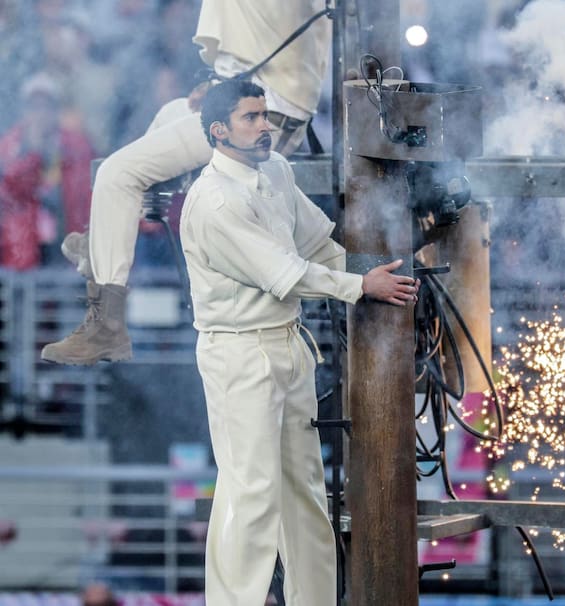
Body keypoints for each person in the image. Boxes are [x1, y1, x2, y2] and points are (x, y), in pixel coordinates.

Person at [181, 79, 418, 605]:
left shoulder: (277, 171)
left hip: (288, 344)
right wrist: (361, 286)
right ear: (219, 131)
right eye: (250, 118)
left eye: (265, 115)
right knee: (252, 492)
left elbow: (317, 243)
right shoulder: (214, 203)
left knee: (306, 492)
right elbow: (285, 273)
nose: (265, 126)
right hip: (238, 353)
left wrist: (372, 272)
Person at [41, 0, 332, 365]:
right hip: (258, 104)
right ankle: (104, 243)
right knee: (169, 113)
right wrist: (219, 87)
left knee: (118, 174)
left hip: (262, 117)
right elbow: (261, 45)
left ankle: (106, 329)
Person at [0, 72, 94, 270]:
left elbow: (89, 194)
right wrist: (33, 154)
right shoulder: (9, 148)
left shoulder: (77, 147)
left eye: (47, 106)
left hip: (67, 242)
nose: (40, 114)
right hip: (21, 249)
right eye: (34, 107)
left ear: (56, 111)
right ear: (23, 111)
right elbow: (9, 196)